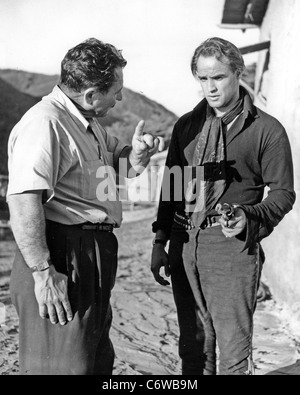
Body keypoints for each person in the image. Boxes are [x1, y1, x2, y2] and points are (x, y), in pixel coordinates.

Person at [7, 38, 164, 375]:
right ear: (91, 94)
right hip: (60, 254)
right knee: (63, 366)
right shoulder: (45, 123)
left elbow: (118, 169)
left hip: (90, 253)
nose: (120, 98)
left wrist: (136, 155)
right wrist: (43, 273)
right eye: (116, 91)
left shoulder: (87, 124)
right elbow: (23, 200)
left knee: (92, 363)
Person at [151, 37, 296, 375]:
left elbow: (283, 193)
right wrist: (160, 241)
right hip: (184, 244)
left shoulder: (266, 130)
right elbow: (171, 187)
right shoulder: (186, 126)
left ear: (237, 73)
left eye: (218, 77)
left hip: (230, 248)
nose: (210, 87)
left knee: (233, 353)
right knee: (193, 346)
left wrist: (249, 216)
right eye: (203, 78)